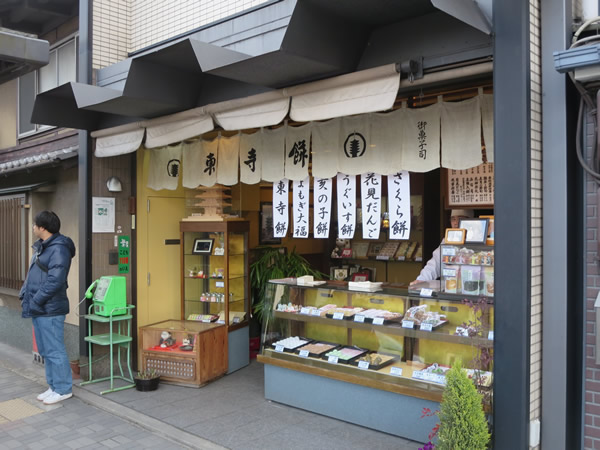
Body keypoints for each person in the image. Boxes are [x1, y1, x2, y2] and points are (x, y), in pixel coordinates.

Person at [20, 211, 76, 405]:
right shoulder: (44, 247)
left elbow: (55, 280)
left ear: (43, 228)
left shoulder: (59, 248)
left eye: (35, 225)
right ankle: (53, 386)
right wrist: (25, 293)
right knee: (46, 349)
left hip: (50, 308)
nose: (33, 227)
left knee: (54, 349)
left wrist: (36, 301)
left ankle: (63, 389)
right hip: (41, 306)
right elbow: (35, 273)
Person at [410, 209, 474, 284]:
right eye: (453, 219)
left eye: (460, 219)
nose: (456, 223)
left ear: (470, 221)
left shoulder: (477, 239)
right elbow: (436, 262)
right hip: (451, 288)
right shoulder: (448, 239)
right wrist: (421, 279)